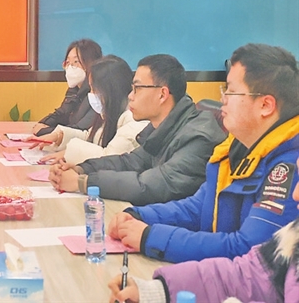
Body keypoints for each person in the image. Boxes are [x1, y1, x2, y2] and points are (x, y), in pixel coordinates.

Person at [108, 44, 299, 264]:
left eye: (231, 91)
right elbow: (197, 208)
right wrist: (139, 215)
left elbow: (247, 250)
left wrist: (150, 237)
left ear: (265, 105)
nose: (223, 99)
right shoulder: (236, 149)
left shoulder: (289, 165)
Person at [109, 159, 299, 303]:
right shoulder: (236, 153)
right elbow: (250, 276)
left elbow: (244, 245)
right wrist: (158, 292)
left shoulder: (283, 164)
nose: (296, 194)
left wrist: (150, 237)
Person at [50, 54, 226, 205]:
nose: (130, 96)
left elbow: (151, 186)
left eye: (137, 89)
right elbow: (129, 162)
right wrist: (82, 169)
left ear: (162, 94)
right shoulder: (163, 126)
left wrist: (83, 182)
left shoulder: (198, 137)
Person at [27, 55, 149, 165]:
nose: (91, 94)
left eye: (93, 89)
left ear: (110, 90)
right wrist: (59, 136)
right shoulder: (111, 113)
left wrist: (69, 153)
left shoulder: (134, 121)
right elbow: (91, 137)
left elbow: (110, 158)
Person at [31, 39, 103, 137]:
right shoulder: (74, 90)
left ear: (91, 63)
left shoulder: (97, 93)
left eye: (76, 61)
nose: (70, 67)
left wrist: (44, 131)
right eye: (68, 62)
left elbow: (80, 130)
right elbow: (61, 114)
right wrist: (42, 124)